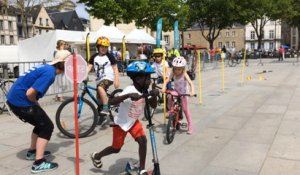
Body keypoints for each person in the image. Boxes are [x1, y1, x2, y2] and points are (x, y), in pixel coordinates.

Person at [6, 50, 71, 174]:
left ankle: (32, 152)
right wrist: (35, 104)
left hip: (15, 99)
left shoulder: (47, 68)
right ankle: (38, 163)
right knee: (47, 126)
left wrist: (36, 105)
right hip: (20, 102)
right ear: (62, 64)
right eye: (69, 64)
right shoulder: (50, 74)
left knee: (40, 123)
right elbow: (30, 93)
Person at [90, 61, 158, 175]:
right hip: (121, 124)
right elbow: (111, 101)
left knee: (143, 141)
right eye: (147, 78)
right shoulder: (129, 90)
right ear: (138, 79)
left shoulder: (145, 90)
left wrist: (154, 94)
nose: (150, 80)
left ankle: (142, 169)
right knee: (116, 149)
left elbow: (153, 105)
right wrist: (127, 96)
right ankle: (96, 156)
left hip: (133, 122)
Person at [87, 36, 120, 124]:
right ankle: (103, 115)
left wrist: (117, 80)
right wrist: (81, 76)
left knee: (101, 88)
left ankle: (106, 107)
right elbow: (88, 67)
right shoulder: (94, 56)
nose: (104, 49)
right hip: (99, 80)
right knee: (99, 101)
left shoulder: (110, 56)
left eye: (105, 47)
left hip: (108, 78)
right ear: (98, 47)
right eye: (102, 47)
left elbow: (115, 69)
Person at [162, 56, 195, 134]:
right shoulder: (173, 72)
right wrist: (163, 87)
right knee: (170, 96)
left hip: (184, 93)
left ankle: (190, 125)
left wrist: (192, 91)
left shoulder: (184, 74)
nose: (177, 71)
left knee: (185, 109)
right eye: (175, 68)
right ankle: (170, 111)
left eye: (179, 69)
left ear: (183, 69)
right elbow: (167, 80)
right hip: (176, 91)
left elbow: (191, 83)